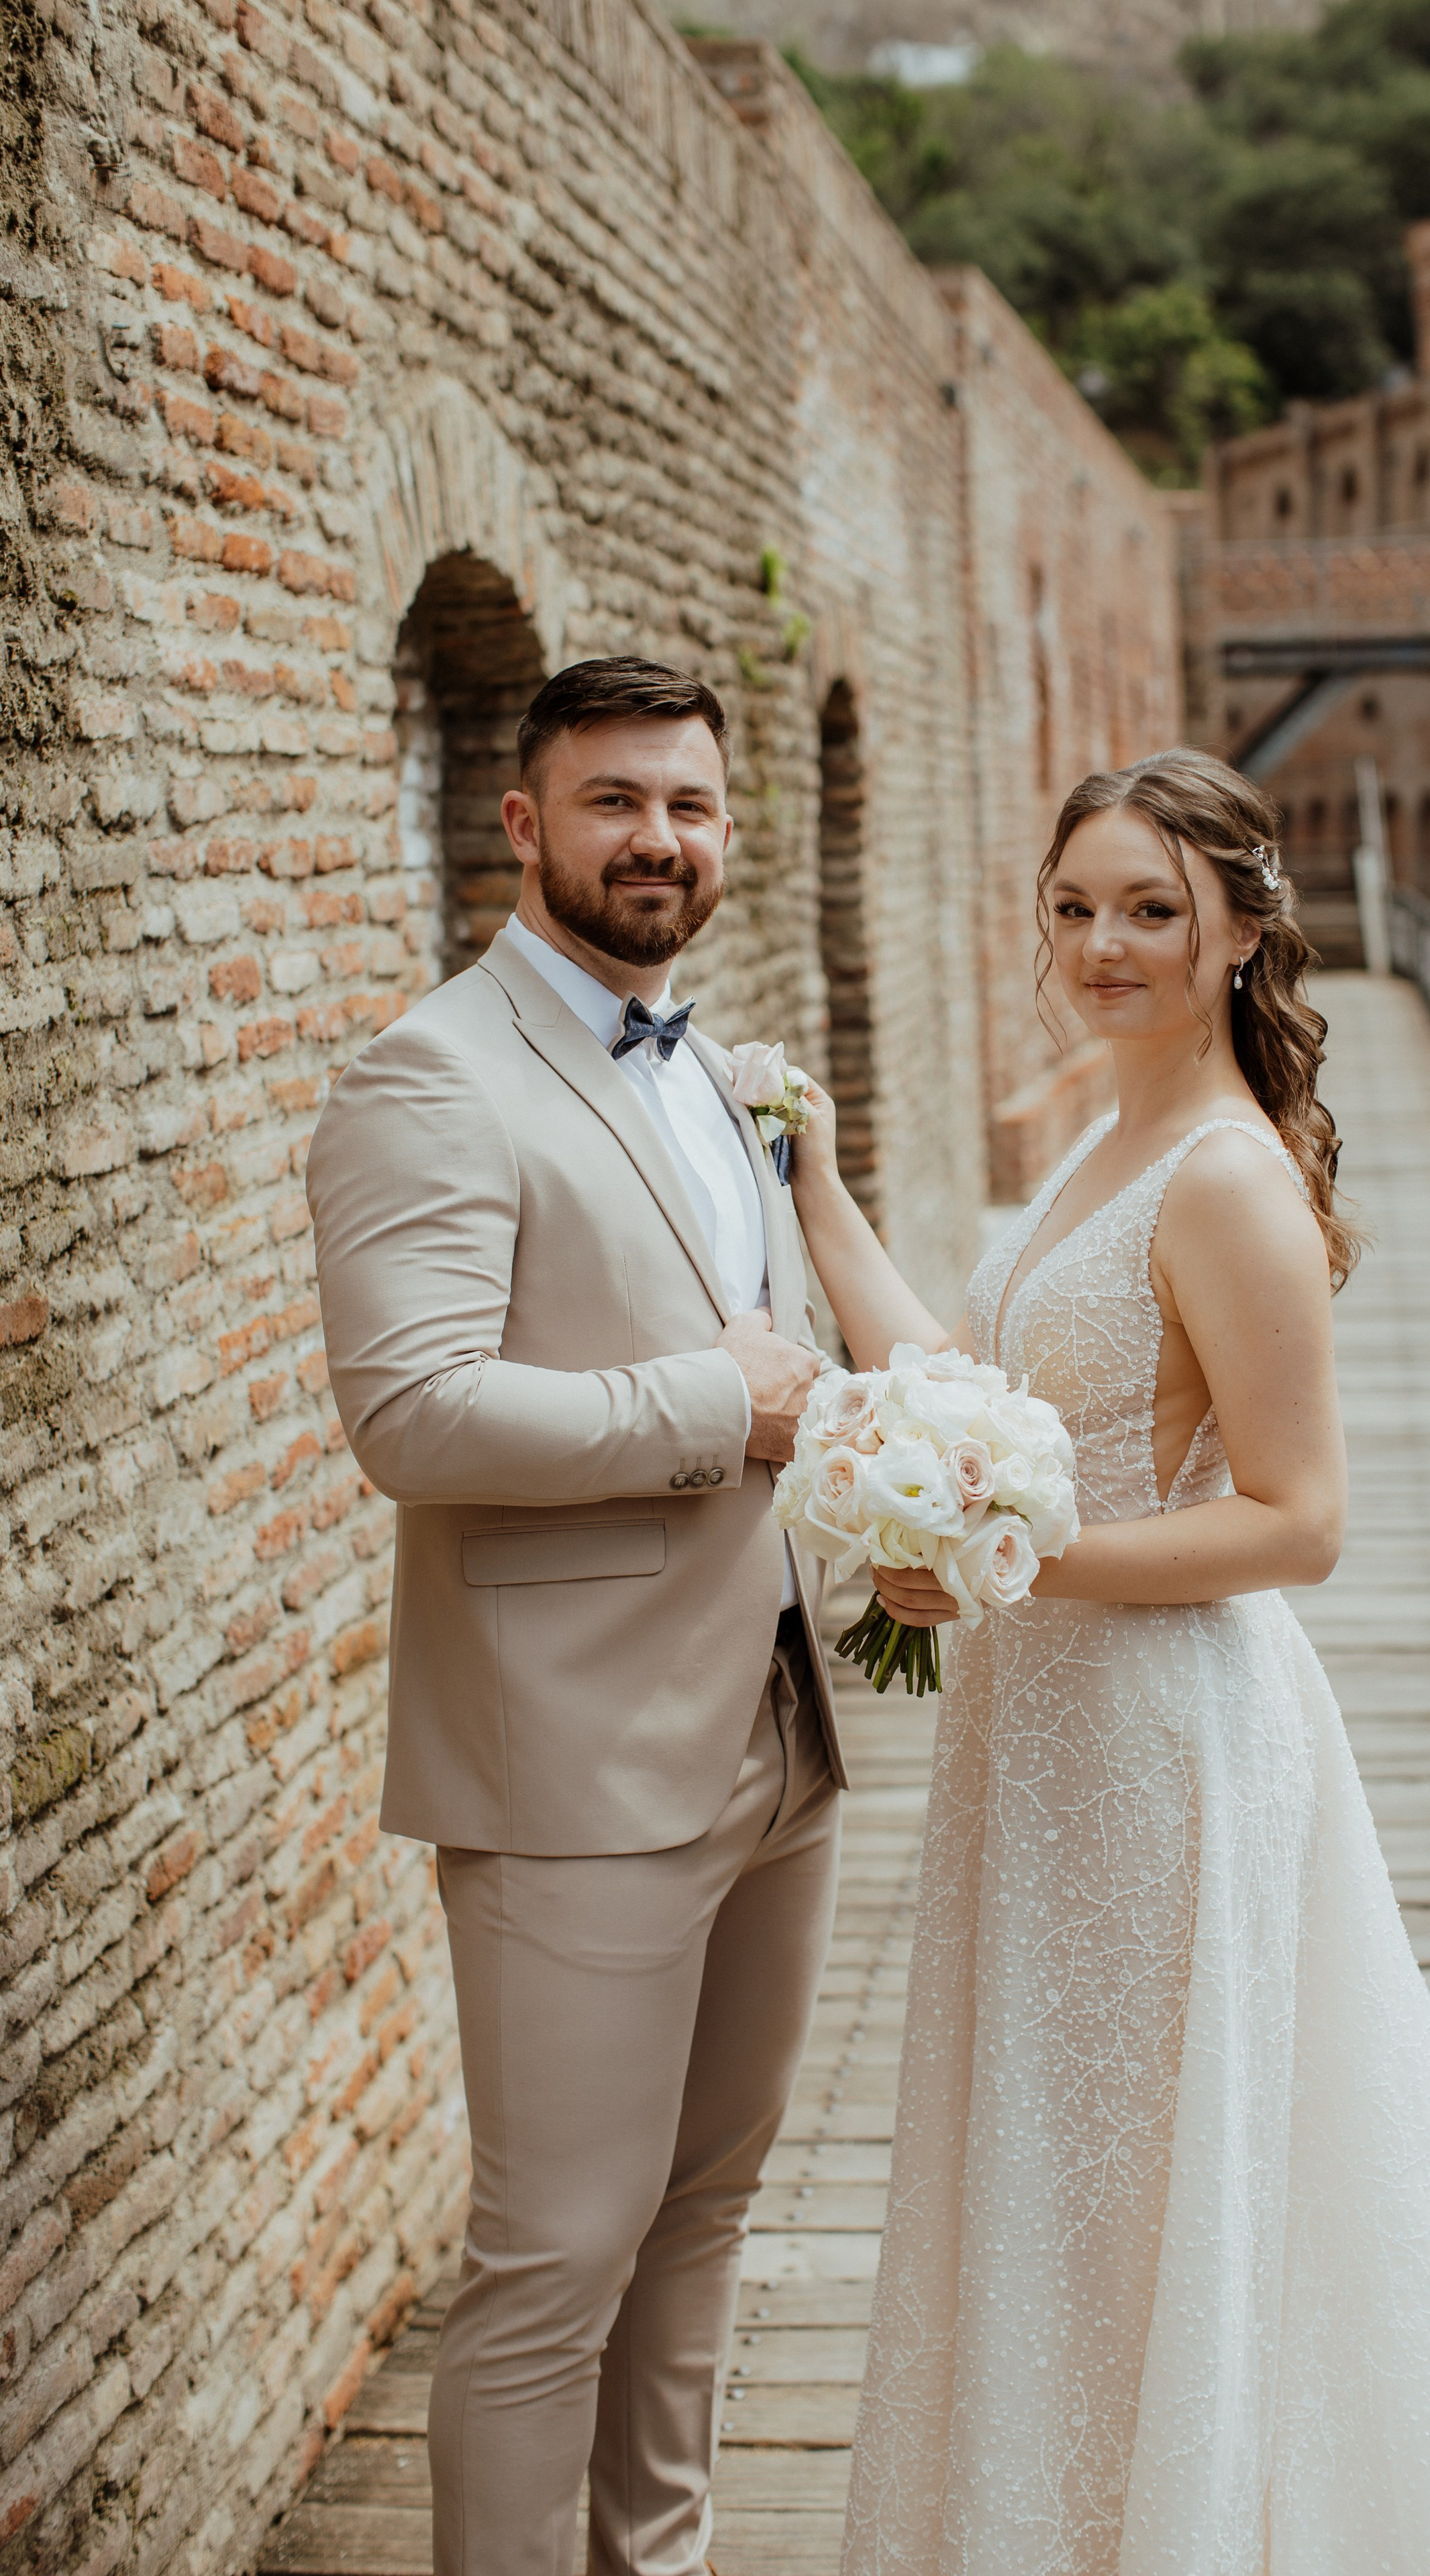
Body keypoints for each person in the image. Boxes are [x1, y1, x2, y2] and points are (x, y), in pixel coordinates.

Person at [788, 748, 1430, 2575]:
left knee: (1171, 2174)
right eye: (1075, 908)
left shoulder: (1221, 1179)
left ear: (1237, 929)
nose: (1105, 943)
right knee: (1068, 2170)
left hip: (1162, 1737)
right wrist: (818, 1194)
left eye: (1151, 908)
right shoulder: (1106, 1135)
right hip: (1040, 1729)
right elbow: (963, 1402)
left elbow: (1300, 1522)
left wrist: (1013, 1561)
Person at [306, 656, 844, 2576]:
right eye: (614, 802)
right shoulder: (429, 1077)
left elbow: (793, 1368)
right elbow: (415, 1415)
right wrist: (722, 1412)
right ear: (523, 823)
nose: (659, 840)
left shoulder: (714, 1066)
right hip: (574, 1769)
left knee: (704, 2214)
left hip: (777, 1742)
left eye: (689, 805)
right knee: (552, 2263)